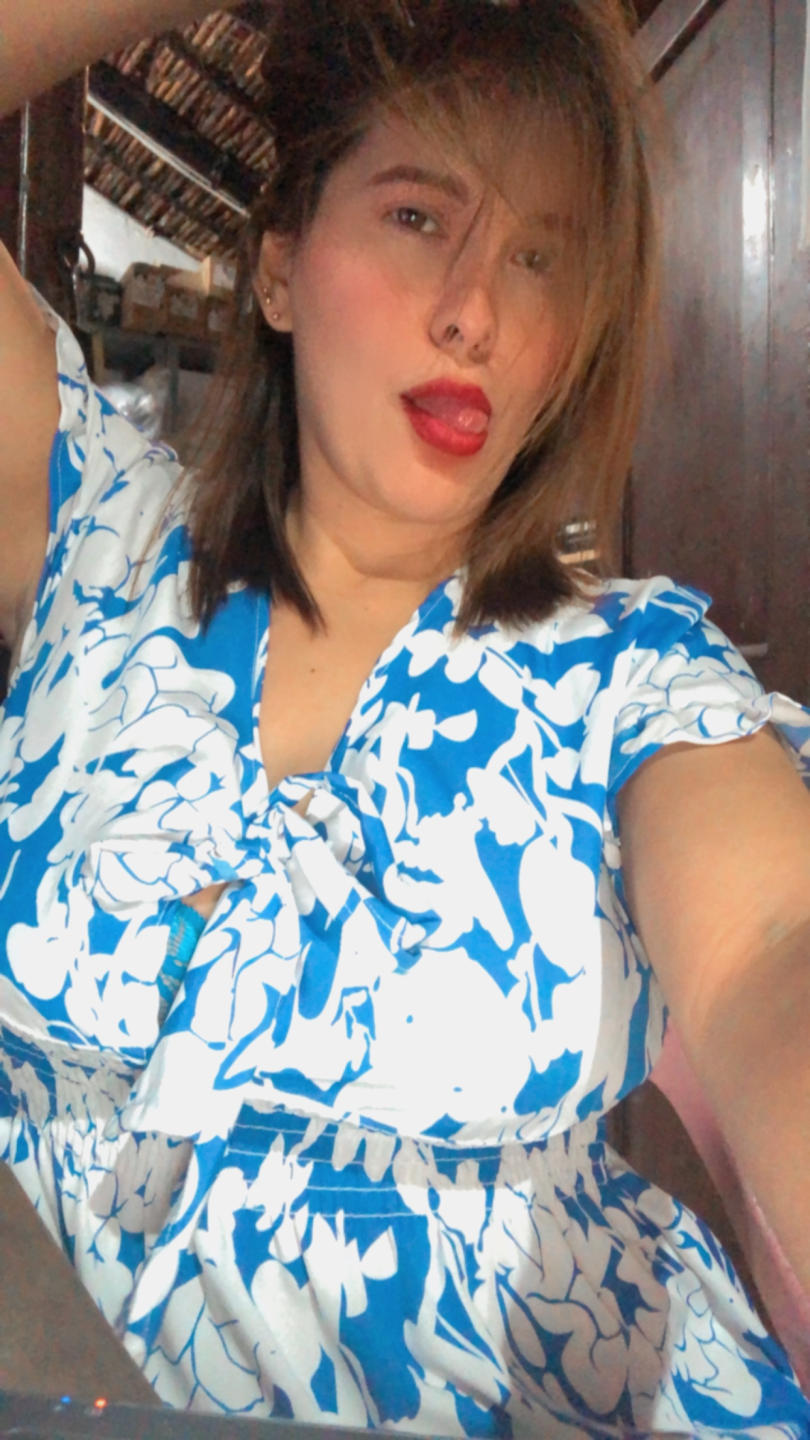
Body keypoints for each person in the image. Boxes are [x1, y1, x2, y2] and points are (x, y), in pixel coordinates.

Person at [1, 0, 809, 1435]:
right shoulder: (90, 521)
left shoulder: (628, 672)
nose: (475, 313)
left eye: (539, 255)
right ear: (278, 267)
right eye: (419, 216)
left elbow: (770, 952)